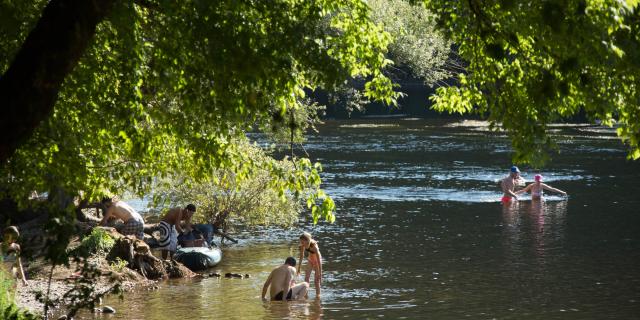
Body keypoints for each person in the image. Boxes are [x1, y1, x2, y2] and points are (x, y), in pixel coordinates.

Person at [297, 232, 322, 298]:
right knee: (306, 278)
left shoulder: (314, 246)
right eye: (301, 242)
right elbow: (301, 256)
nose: (301, 243)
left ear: (307, 241)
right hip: (310, 260)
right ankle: (306, 295)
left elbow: (319, 260)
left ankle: (318, 296)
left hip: (317, 261)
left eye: (302, 242)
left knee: (316, 280)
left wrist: (320, 273)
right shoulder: (303, 245)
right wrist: (299, 268)